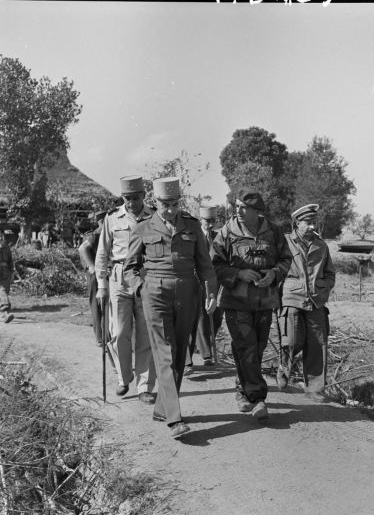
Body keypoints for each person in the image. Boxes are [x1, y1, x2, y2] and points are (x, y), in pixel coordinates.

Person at [123, 177, 218, 439]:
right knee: (165, 353)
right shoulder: (144, 227)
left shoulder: (192, 226)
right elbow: (129, 268)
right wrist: (141, 288)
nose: (170, 209)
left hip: (188, 292)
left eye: (175, 204)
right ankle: (175, 419)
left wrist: (211, 291)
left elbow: (205, 264)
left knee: (178, 355)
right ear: (156, 202)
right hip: (155, 293)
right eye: (165, 204)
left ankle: (162, 409)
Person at [211, 189, 292, 422]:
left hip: (265, 300)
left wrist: (274, 274)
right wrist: (238, 273)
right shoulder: (226, 232)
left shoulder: (274, 232)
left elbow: (286, 259)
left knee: (256, 348)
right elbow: (215, 264)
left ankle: (241, 389)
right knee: (245, 345)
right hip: (236, 302)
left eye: (243, 207)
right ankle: (258, 398)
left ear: (257, 212)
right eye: (237, 206)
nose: (238, 210)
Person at [95, 175, 156, 404]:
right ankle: (124, 377)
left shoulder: (153, 216)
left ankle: (144, 386)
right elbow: (102, 253)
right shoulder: (113, 219)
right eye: (127, 198)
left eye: (135, 197)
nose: (131, 202)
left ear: (144, 196)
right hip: (119, 277)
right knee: (120, 332)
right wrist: (101, 285)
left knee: (145, 333)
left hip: (144, 275)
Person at [276, 204, 336, 402]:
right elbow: (276, 270)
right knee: (292, 340)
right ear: (297, 223)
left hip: (316, 300)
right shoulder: (284, 242)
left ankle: (315, 389)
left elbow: (330, 273)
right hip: (291, 298)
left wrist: (323, 287)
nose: (312, 226)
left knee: (318, 343)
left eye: (313, 222)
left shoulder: (322, 246)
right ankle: (284, 369)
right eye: (307, 223)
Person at [185, 205, 223, 372]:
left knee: (214, 317)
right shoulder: (193, 234)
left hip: (214, 282)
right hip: (195, 280)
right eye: (207, 221)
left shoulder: (218, 237)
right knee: (195, 318)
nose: (210, 224)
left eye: (213, 221)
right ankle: (202, 356)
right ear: (201, 220)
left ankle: (202, 349)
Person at [78, 210, 107, 346]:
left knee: (103, 305)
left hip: (104, 273)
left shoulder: (102, 230)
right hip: (96, 274)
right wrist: (91, 266)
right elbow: (82, 248)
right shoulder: (99, 232)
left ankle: (104, 336)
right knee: (97, 306)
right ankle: (100, 338)